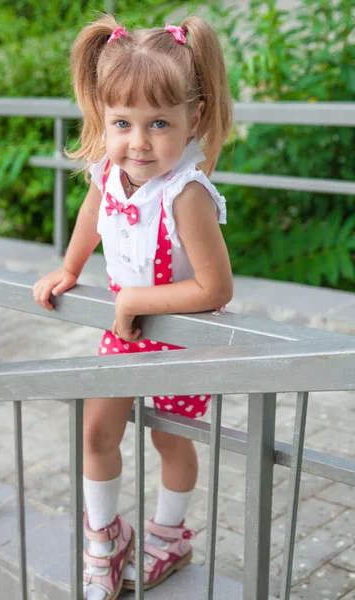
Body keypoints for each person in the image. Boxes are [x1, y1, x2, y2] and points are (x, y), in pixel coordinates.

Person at [33, 13, 233, 600]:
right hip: (126, 332)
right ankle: (105, 537)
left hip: (179, 337)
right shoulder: (110, 171)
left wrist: (138, 298)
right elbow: (91, 219)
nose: (137, 142)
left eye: (159, 123)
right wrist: (70, 269)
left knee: (169, 440)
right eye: (122, 122)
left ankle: (169, 536)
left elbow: (216, 289)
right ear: (103, 117)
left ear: (193, 118)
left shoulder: (186, 193)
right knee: (97, 430)